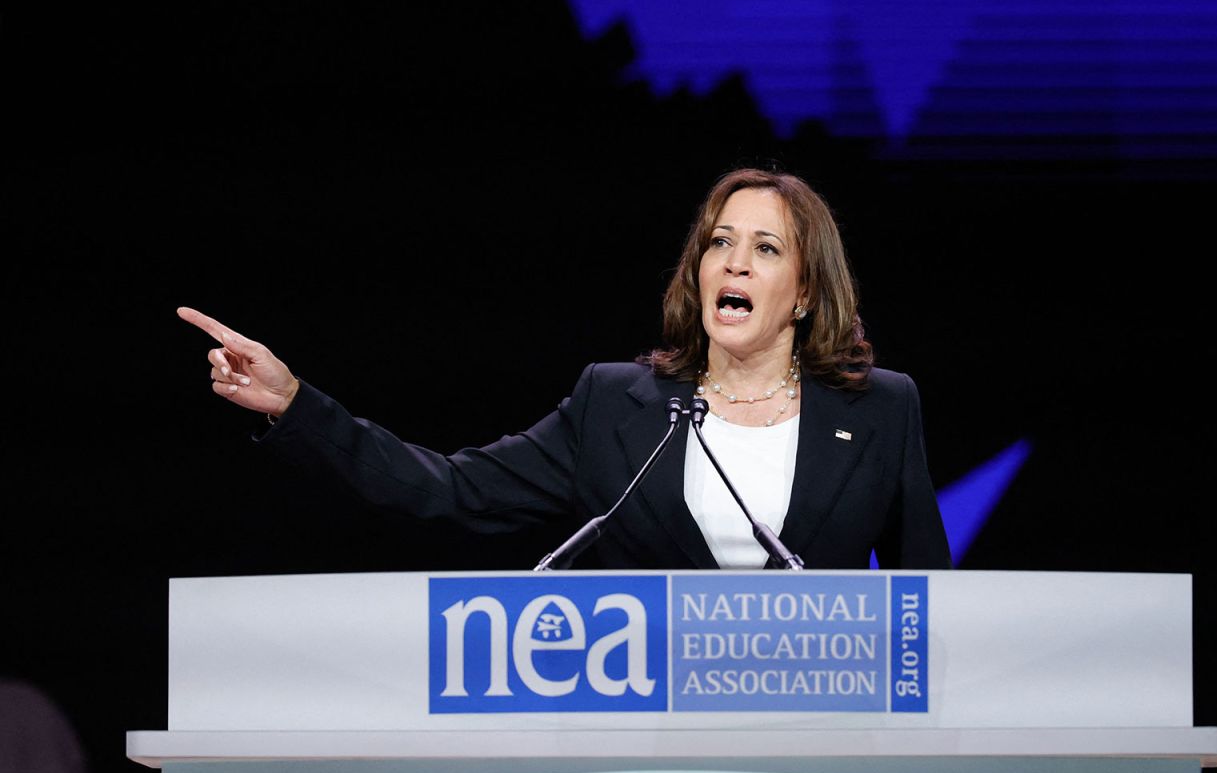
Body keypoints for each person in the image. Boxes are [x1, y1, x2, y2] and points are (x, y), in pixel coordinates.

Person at [178, 168, 952, 570]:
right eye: (719, 242)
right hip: (646, 735)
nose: (734, 263)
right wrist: (295, 403)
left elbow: (930, 600)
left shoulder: (881, 410)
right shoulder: (618, 404)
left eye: (766, 248)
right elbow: (451, 490)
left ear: (807, 292)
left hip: (822, 736)